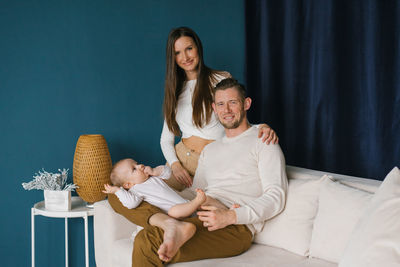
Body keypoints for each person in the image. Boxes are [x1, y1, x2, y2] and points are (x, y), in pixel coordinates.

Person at [129, 78, 288, 265]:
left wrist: (231, 216)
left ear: (246, 104)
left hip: (234, 226)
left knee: (148, 240)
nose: (226, 110)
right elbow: (195, 192)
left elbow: (276, 195)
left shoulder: (263, 140)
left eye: (233, 102)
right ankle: (166, 223)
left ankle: (169, 227)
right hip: (201, 210)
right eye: (221, 104)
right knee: (120, 192)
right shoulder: (211, 150)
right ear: (214, 108)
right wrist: (155, 190)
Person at [160, 26, 279, 191]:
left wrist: (261, 127)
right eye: (178, 53)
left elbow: (235, 118)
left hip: (213, 161)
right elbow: (166, 139)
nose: (185, 57)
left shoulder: (220, 78)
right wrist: (174, 165)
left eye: (189, 49)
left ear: (198, 48)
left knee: (200, 208)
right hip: (180, 160)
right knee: (146, 196)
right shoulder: (174, 91)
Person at [103, 158, 235, 220]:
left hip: (186, 205)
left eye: (137, 164)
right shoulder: (135, 191)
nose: (140, 166)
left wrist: (154, 170)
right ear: (127, 185)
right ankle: (196, 202)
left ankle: (229, 211)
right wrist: (117, 191)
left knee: (208, 200)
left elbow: (167, 172)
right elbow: (131, 203)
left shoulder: (151, 177)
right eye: (134, 169)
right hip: (175, 214)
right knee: (174, 211)